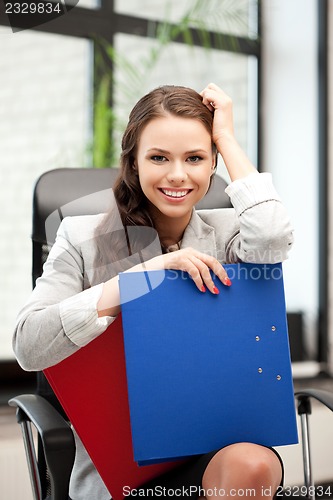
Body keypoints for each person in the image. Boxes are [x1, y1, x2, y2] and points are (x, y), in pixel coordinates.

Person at [13, 82, 293, 500]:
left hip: (217, 449)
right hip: (125, 467)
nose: (177, 174)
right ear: (133, 162)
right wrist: (138, 280)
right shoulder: (80, 238)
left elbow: (272, 235)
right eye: (159, 157)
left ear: (213, 163)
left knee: (252, 464)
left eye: (195, 158)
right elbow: (28, 345)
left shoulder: (232, 234)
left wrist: (227, 138)